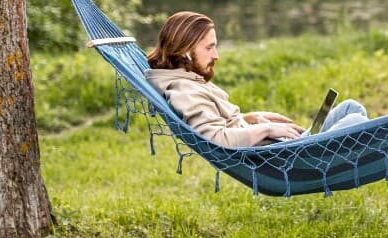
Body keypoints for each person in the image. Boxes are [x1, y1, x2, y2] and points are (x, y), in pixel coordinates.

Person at [145, 11, 369, 147]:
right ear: (184, 52)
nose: (216, 55)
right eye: (209, 47)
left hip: (281, 148)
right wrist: (267, 130)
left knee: (351, 107)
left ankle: (349, 161)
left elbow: (216, 122)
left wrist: (252, 118)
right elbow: (215, 137)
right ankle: (347, 165)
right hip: (281, 160)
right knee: (356, 123)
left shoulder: (187, 80)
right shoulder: (185, 89)